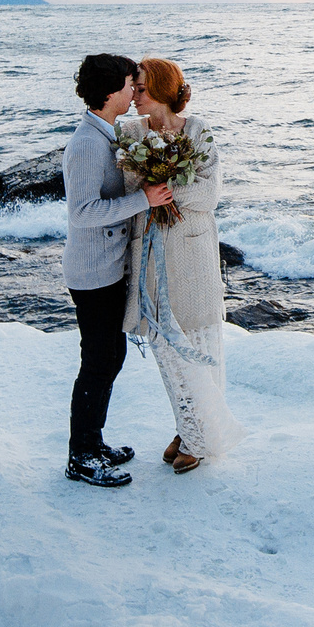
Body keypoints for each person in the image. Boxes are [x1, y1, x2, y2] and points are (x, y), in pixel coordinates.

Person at [120, 57, 244, 472]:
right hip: (151, 255)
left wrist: (163, 188)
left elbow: (207, 195)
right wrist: (156, 189)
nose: (133, 96)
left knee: (200, 344)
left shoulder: (197, 130)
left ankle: (198, 435)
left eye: (139, 89)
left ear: (158, 88)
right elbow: (129, 189)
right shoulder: (131, 133)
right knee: (165, 347)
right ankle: (189, 425)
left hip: (192, 255)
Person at [60, 52, 174, 489]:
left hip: (107, 268)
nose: (134, 91)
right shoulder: (87, 143)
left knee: (112, 356)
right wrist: (144, 200)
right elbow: (83, 213)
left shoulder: (105, 133)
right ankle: (81, 456)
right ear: (110, 92)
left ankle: (93, 441)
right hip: (92, 274)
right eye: (130, 85)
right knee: (98, 362)